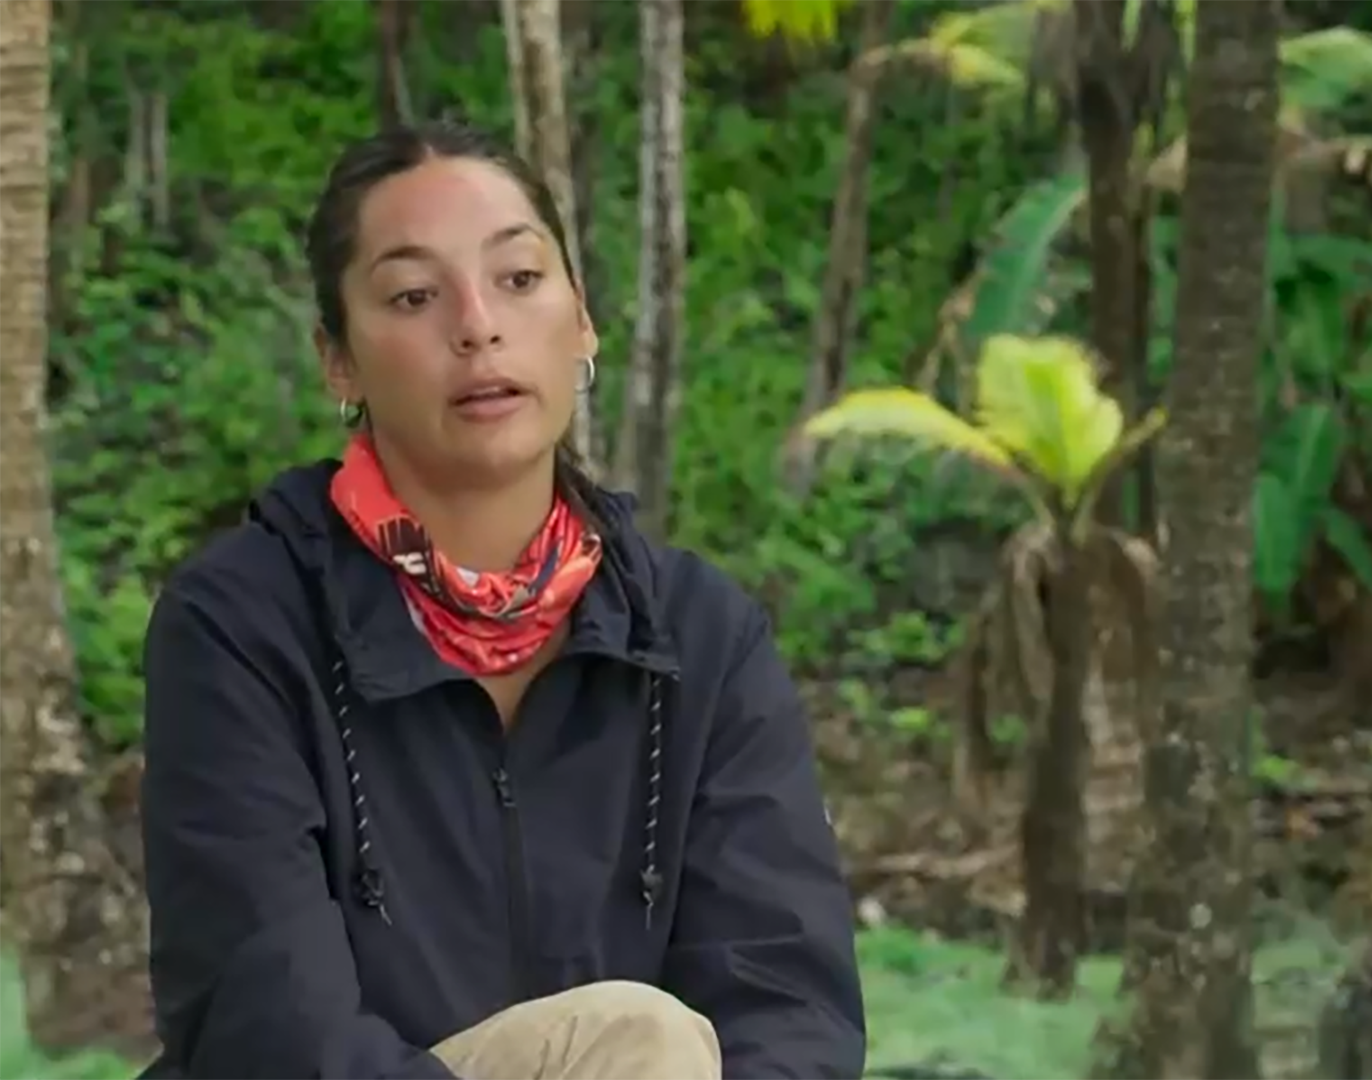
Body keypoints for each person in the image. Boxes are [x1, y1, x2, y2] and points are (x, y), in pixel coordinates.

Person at [134, 119, 867, 1080]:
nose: (477, 325)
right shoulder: (242, 624)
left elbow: (790, 1008)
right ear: (339, 359)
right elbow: (268, 1027)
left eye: (518, 278)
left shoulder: (700, 637)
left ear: (582, 320)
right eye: (414, 295)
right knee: (640, 1040)